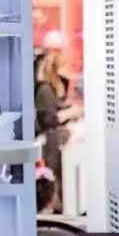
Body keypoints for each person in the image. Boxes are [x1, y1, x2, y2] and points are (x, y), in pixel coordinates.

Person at [34, 48, 83, 212]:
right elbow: (48, 119)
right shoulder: (45, 91)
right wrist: (69, 113)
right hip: (50, 142)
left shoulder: (51, 91)